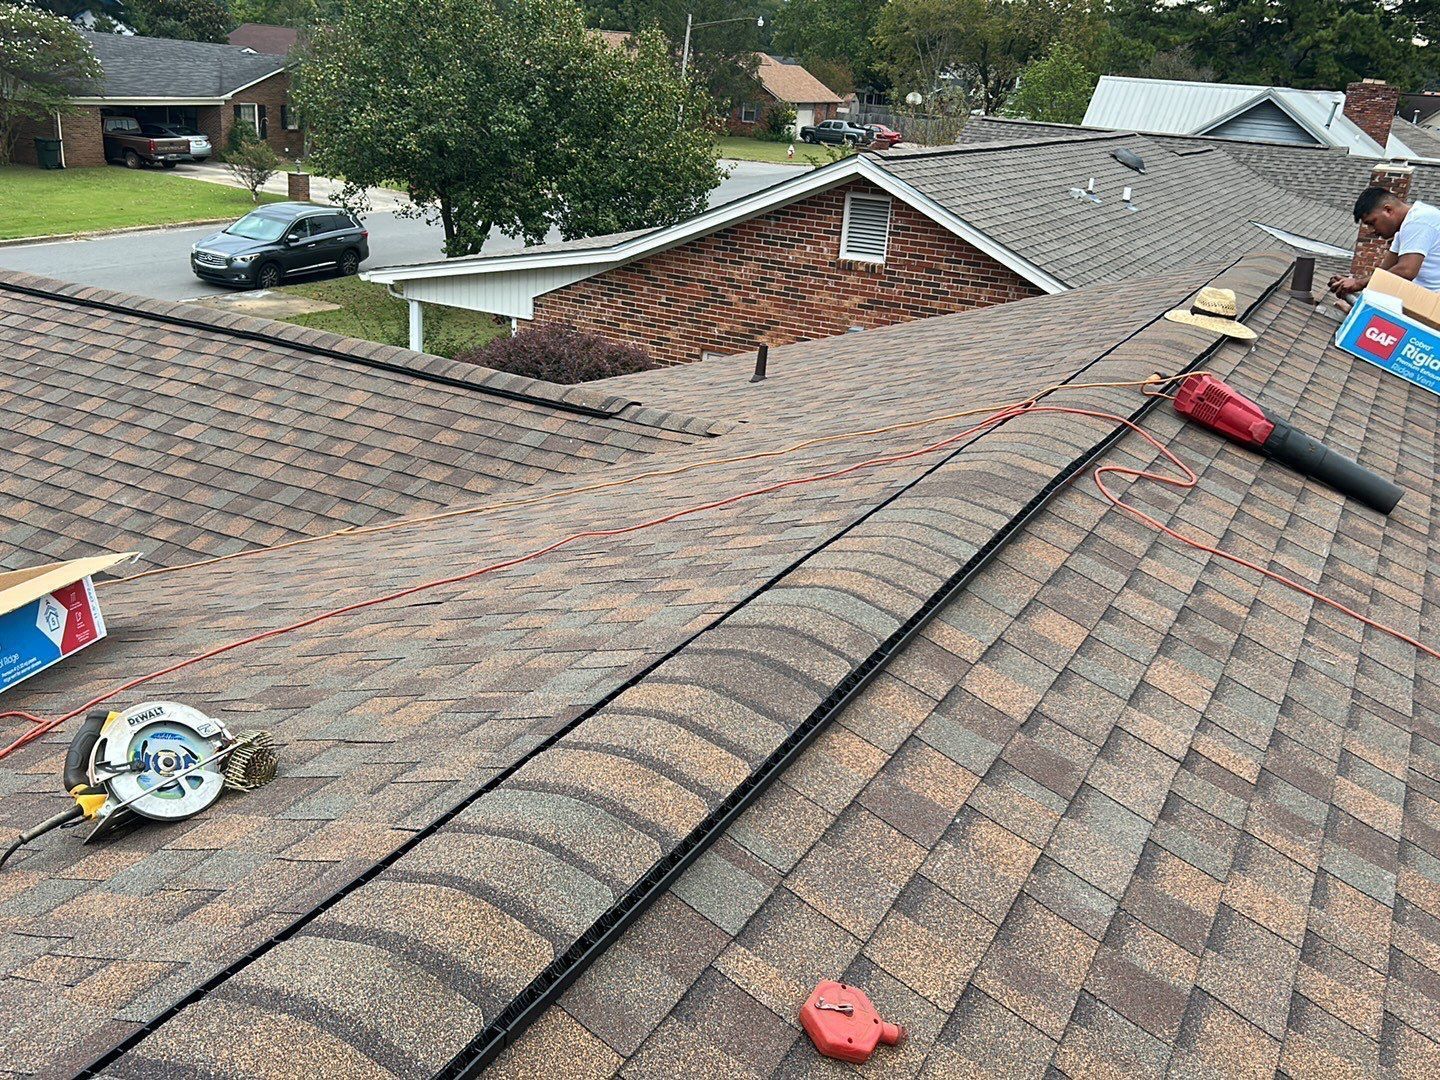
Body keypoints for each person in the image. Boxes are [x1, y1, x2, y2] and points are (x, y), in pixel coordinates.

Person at [1329, 186, 1440, 298]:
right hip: (1424, 299)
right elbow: (1383, 272)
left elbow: (1406, 271)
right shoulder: (1403, 229)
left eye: (1372, 222)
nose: (1372, 230)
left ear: (1388, 210)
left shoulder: (1419, 220)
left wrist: (1359, 283)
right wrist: (1352, 282)